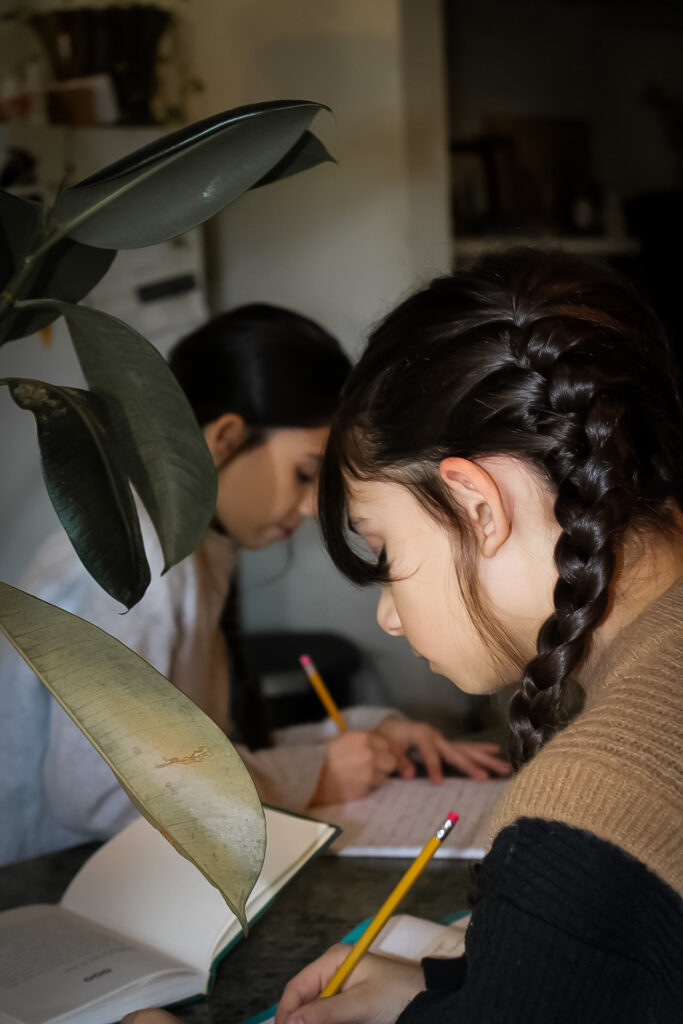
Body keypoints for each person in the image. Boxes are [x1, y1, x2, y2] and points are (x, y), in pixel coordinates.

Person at [125, 249, 683, 1024]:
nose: (388, 614)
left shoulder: (586, 815)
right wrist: (436, 1000)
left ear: (478, 507)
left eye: (383, 550)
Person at [0, 303, 508, 866]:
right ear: (225, 439)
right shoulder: (143, 556)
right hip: (55, 882)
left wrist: (369, 737)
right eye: (305, 472)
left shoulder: (198, 549)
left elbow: (201, 752)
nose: (314, 508)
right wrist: (312, 774)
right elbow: (98, 797)